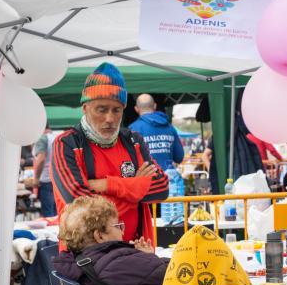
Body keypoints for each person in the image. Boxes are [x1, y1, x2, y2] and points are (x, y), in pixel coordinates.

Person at [51, 62, 168, 246]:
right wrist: (135, 190)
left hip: (136, 250)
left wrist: (107, 184)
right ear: (85, 107)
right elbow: (80, 207)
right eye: (102, 109)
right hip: (87, 259)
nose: (110, 119)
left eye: (117, 110)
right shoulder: (67, 144)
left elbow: (161, 187)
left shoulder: (133, 141)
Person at [128, 94, 185, 171]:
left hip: (147, 179)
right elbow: (179, 157)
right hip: (168, 179)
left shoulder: (133, 129)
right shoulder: (170, 128)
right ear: (154, 106)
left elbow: (129, 160)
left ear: (136, 109)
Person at [31, 124, 57, 217]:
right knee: (56, 212)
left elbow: (41, 159)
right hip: (57, 179)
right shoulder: (56, 137)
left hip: (45, 180)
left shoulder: (42, 139)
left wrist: (36, 179)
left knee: (48, 213)